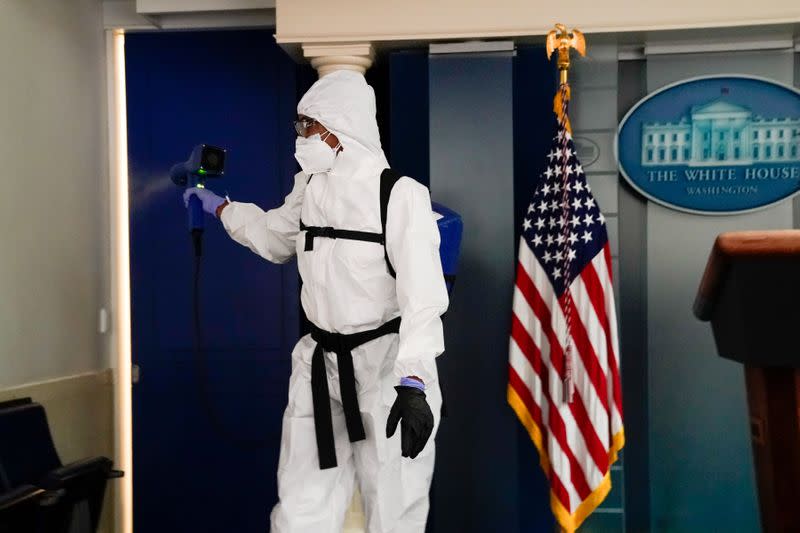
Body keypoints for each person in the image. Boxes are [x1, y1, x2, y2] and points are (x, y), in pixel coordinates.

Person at [184, 69, 449, 533]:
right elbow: (275, 239)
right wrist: (220, 207)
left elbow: (423, 297)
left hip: (385, 369)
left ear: (338, 129)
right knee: (300, 504)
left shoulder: (400, 196)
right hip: (319, 362)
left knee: (394, 505)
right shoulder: (310, 187)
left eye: (307, 126)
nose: (301, 137)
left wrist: (414, 381)